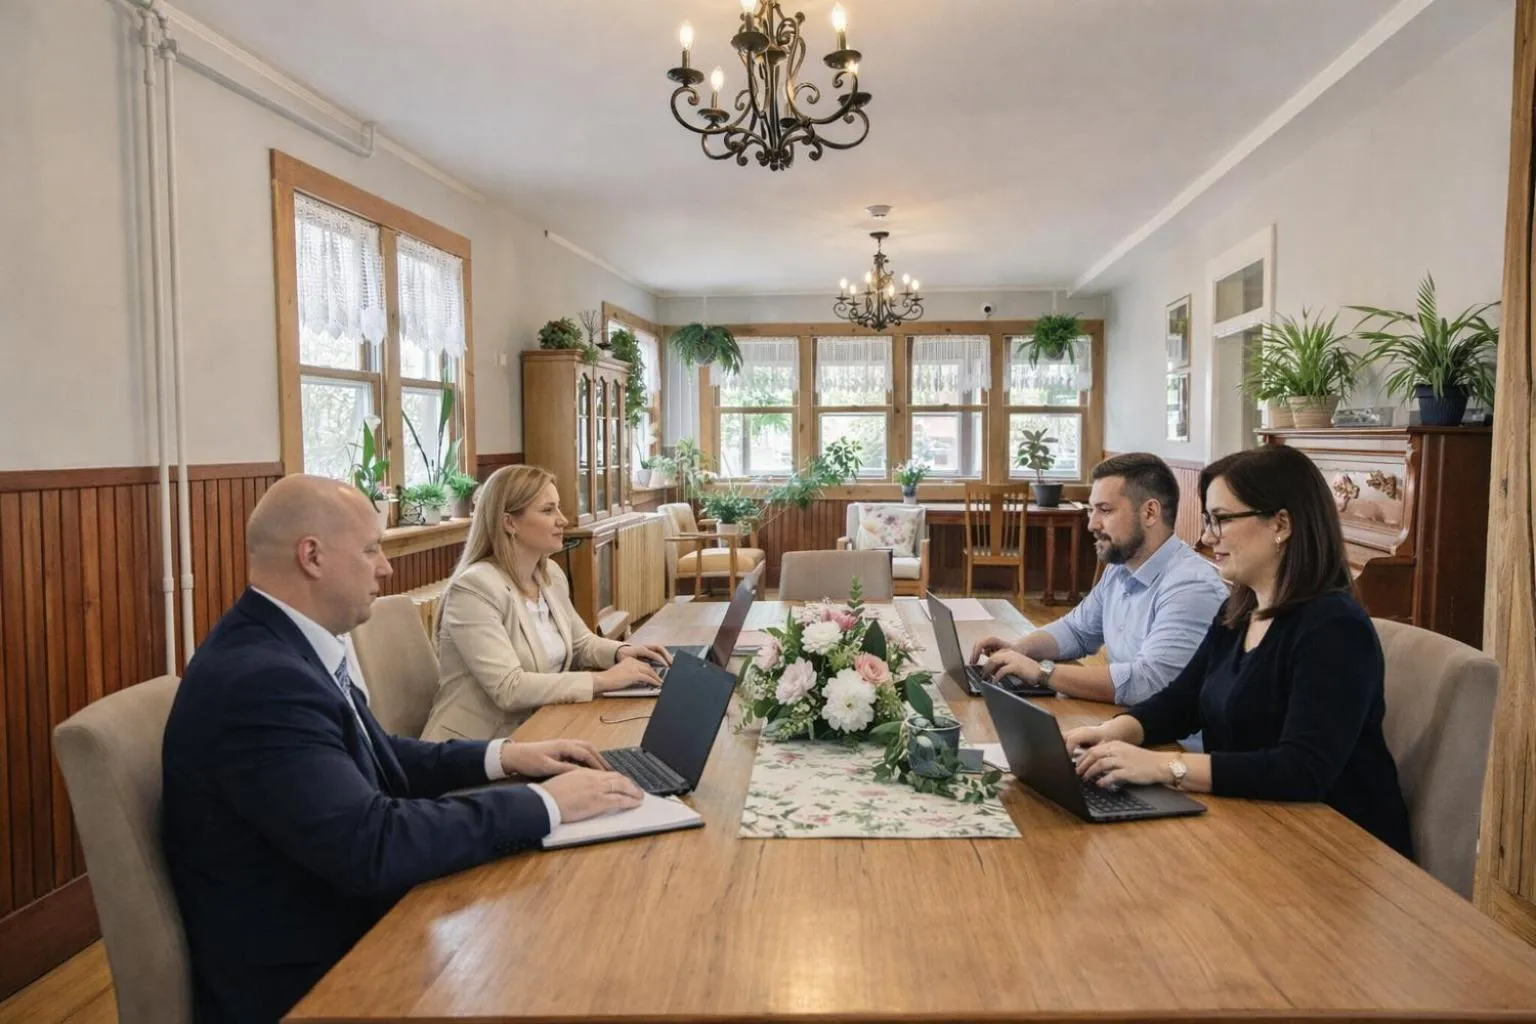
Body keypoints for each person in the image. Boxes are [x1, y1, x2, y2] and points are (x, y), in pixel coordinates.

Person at [162, 475, 646, 1024]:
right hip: (317, 974)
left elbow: (379, 755)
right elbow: (374, 844)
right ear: (312, 556)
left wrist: (505, 757)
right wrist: (547, 805)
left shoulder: (282, 646)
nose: (386, 567)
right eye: (371, 549)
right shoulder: (261, 683)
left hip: (351, 918)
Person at [1065, 445, 1413, 859]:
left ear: (1281, 523)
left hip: (1338, 851)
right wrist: (1110, 735)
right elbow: (1181, 702)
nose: (1208, 536)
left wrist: (1162, 767)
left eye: (1222, 520)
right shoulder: (1239, 610)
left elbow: (1300, 771)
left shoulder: (1334, 627)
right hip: (1255, 827)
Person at [970, 453, 1228, 725]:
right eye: (1092, 510)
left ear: (1150, 512)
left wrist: (1043, 673)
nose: (1092, 523)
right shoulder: (1121, 568)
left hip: (1176, 750)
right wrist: (1018, 650)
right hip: (1127, 726)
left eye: (1105, 510)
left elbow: (1148, 683)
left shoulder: (1191, 587)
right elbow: (1077, 630)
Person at [420, 465, 671, 743]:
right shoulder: (474, 589)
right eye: (548, 510)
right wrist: (602, 681)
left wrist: (622, 653)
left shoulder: (549, 574)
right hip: (476, 748)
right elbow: (509, 687)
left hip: (541, 729)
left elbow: (581, 644)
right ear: (509, 523)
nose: (562, 520)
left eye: (558, 509)